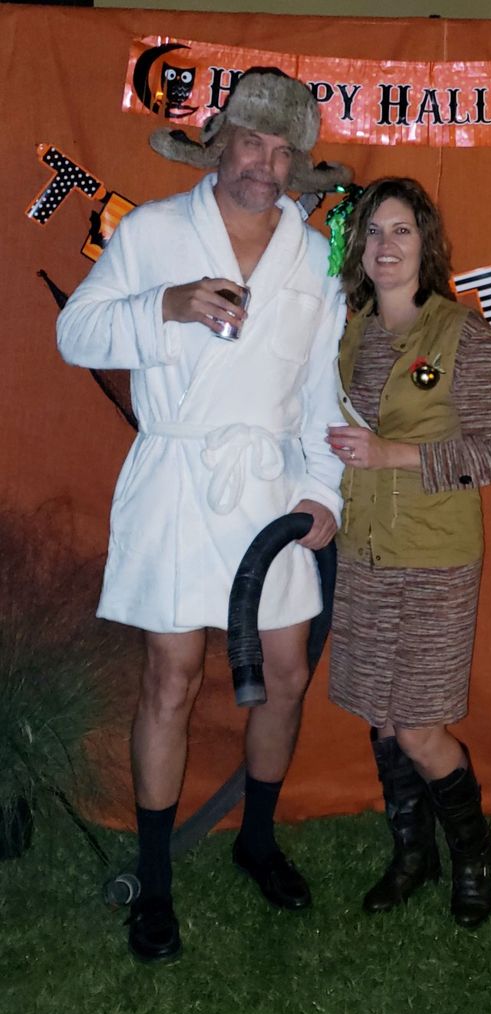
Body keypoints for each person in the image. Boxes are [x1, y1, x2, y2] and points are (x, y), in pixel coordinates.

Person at [57, 68, 352, 963]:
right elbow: (77, 334)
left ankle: (257, 840)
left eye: (282, 150)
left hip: (270, 485)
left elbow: (320, 393)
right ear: (219, 143)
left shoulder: (315, 257)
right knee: (172, 678)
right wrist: (167, 307)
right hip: (180, 476)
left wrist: (322, 493)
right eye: (251, 142)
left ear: (297, 165)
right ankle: (154, 882)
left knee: (289, 673)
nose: (264, 163)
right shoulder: (153, 232)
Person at [327, 178, 491, 929]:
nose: (385, 245)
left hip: (434, 557)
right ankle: (413, 853)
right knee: (381, 715)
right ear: (359, 250)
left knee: (417, 725)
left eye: (401, 230)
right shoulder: (350, 334)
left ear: (425, 244)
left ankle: (474, 853)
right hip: (365, 550)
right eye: (372, 232)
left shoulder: (460, 335)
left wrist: (393, 454)